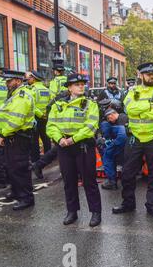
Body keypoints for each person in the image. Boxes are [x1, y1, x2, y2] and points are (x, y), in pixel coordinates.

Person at [112, 62, 153, 218]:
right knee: (127, 173)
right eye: (148, 74)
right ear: (140, 75)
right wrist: (149, 106)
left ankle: (151, 205)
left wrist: (140, 110)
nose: (151, 76)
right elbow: (129, 109)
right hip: (135, 137)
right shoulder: (133, 91)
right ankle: (128, 203)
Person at [46, 73, 102, 227]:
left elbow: (90, 127)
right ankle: (72, 211)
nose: (81, 86)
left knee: (89, 181)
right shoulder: (58, 105)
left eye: (83, 84)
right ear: (69, 88)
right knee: (69, 181)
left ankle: (96, 212)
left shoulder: (90, 104)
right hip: (64, 146)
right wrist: (59, 139)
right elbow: (51, 125)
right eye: (77, 84)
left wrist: (72, 139)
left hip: (83, 146)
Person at [0, 70, 36, 210]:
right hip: (12, 136)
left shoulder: (22, 96)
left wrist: (3, 134)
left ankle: (26, 198)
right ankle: (16, 191)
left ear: (18, 81)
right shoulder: (14, 94)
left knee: (19, 168)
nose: (7, 83)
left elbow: (16, 120)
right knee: (10, 166)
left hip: (18, 137)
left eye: (9, 81)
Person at [26, 71, 52, 163]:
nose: (28, 79)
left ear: (34, 78)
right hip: (45, 118)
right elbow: (50, 104)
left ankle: (35, 160)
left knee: (35, 140)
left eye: (30, 78)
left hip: (36, 118)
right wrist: (45, 115)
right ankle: (48, 158)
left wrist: (40, 114)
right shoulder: (46, 90)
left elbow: (31, 105)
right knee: (46, 138)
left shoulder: (32, 90)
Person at [100, 108, 128, 190]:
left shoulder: (122, 119)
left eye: (109, 118)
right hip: (130, 144)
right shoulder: (124, 117)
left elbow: (122, 136)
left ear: (111, 115)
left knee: (107, 155)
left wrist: (111, 143)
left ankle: (112, 182)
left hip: (122, 142)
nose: (109, 120)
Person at [0, 67, 8, 188]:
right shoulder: (7, 85)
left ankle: (0, 179)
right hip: (7, 122)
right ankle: (8, 177)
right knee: (5, 150)